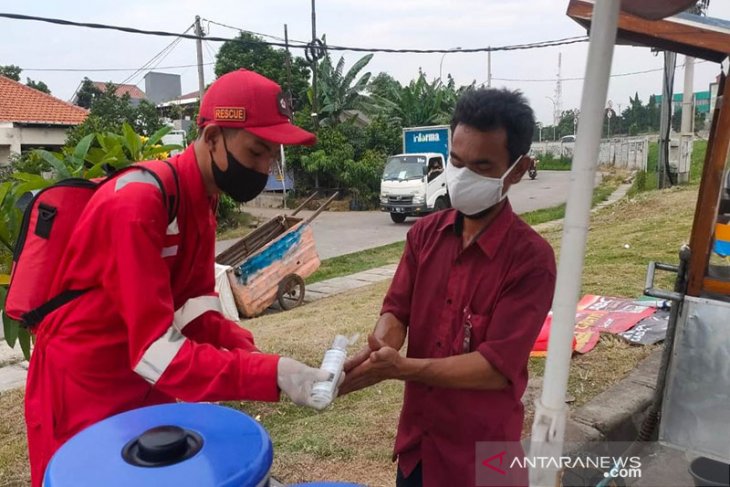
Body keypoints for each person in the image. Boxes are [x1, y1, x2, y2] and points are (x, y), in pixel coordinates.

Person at [24, 69, 334, 486]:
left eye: (271, 155)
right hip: (85, 390)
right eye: (257, 151)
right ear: (211, 139)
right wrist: (270, 374)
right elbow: (155, 352)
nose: (265, 168)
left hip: (144, 384)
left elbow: (196, 310)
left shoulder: (201, 201)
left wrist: (261, 360)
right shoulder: (137, 204)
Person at [340, 88, 557, 487]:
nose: (462, 175)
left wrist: (402, 369)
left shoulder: (531, 261)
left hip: (483, 460)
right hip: (419, 447)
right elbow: (397, 310)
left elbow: (495, 369)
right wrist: (383, 344)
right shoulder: (424, 235)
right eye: (457, 161)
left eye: (482, 166)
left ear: (519, 169)